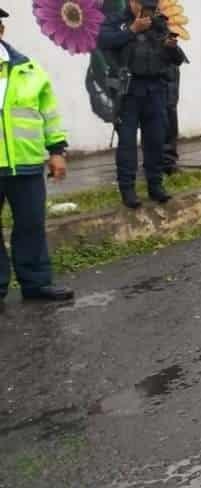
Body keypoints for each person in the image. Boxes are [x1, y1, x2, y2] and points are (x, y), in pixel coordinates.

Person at [0, 7, 75, 303]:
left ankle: (36, 283)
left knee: (30, 225)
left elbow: (49, 114)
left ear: (1, 30)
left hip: (27, 164)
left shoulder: (29, 70)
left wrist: (56, 151)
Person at [98, 0, 185, 209]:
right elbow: (103, 41)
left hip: (155, 90)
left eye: (151, 4)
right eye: (142, 4)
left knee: (155, 139)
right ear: (131, 2)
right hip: (128, 92)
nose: (147, 9)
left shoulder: (159, 23)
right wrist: (132, 30)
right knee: (127, 142)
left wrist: (170, 47)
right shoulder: (116, 22)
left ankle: (156, 185)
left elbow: (177, 58)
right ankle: (127, 189)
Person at [161, 40, 188, 176]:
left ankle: (168, 161)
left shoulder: (163, 30)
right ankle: (162, 162)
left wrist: (172, 46)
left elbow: (178, 58)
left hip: (170, 86)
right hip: (157, 86)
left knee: (170, 122)